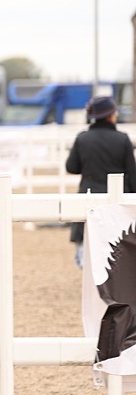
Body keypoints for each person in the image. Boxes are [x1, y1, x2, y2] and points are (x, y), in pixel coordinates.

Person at [66, 95, 136, 267]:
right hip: (118, 202)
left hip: (89, 197)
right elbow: (133, 174)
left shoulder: (83, 138)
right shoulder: (122, 139)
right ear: (111, 115)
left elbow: (71, 167)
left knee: (87, 248)